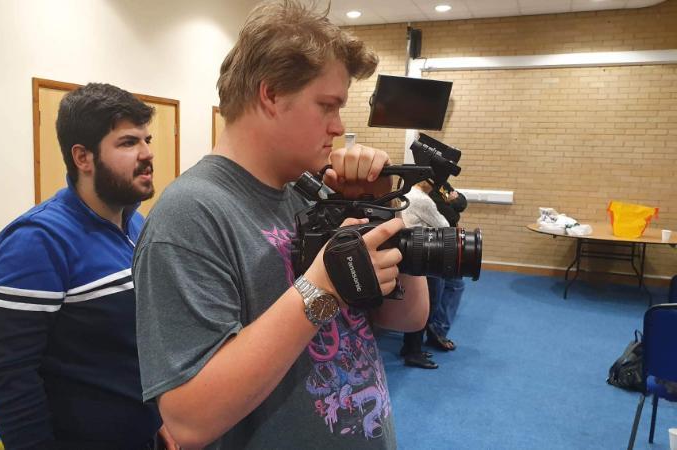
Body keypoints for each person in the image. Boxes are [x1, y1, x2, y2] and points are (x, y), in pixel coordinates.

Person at [132, 2, 429, 449]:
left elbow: (408, 317)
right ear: (270, 95)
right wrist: (322, 290)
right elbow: (188, 421)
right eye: (327, 106)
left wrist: (382, 209)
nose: (339, 126)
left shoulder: (312, 193)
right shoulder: (190, 214)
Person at [0, 83, 174, 450]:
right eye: (128, 143)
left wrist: (156, 415)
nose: (147, 153)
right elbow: (10, 376)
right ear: (83, 158)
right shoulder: (36, 242)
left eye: (146, 140)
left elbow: (132, 343)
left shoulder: (134, 223)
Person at [399, 179, 449, 369]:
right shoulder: (422, 199)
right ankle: (414, 353)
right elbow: (445, 226)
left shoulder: (404, 194)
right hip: (426, 257)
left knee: (416, 303)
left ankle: (410, 347)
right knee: (427, 305)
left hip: (410, 255)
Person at [425, 182, 469, 352]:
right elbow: (449, 216)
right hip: (433, 245)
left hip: (449, 243)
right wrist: (451, 203)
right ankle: (431, 331)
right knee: (436, 291)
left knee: (455, 284)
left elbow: (461, 203)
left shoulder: (441, 185)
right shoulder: (424, 188)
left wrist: (454, 201)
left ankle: (438, 330)